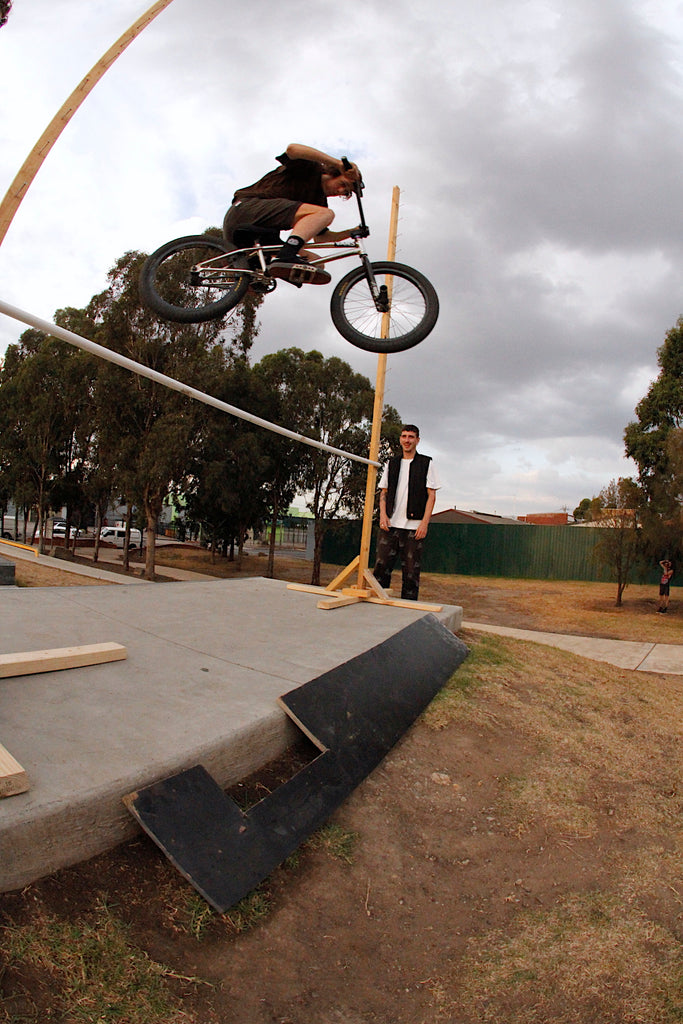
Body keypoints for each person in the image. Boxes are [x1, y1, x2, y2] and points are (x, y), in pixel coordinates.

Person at [223, 143, 363, 287]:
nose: (340, 191)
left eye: (345, 192)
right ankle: (285, 257)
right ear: (333, 174)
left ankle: (262, 273)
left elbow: (321, 238)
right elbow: (292, 149)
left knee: (317, 264)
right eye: (343, 184)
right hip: (246, 209)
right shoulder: (310, 169)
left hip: (258, 234)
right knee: (326, 214)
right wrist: (338, 163)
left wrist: (352, 232)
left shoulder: (319, 203)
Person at [373, 424, 440, 601]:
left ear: (417, 440)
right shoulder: (392, 464)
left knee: (411, 573)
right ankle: (377, 605)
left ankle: (408, 611)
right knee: (380, 568)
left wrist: (424, 523)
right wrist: (382, 515)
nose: (407, 440)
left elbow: (431, 496)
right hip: (390, 526)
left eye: (411, 437)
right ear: (400, 439)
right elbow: (384, 492)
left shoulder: (427, 463)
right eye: (404, 436)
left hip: (414, 528)